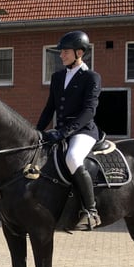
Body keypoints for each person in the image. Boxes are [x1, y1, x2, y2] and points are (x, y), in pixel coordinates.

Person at [36, 30, 102, 231]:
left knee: (72, 157)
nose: (61, 55)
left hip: (83, 131)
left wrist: (64, 132)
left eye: (65, 52)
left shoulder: (92, 77)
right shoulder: (57, 77)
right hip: (61, 129)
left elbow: (89, 111)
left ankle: (91, 211)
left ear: (79, 53)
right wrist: (37, 132)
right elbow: (50, 108)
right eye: (61, 52)